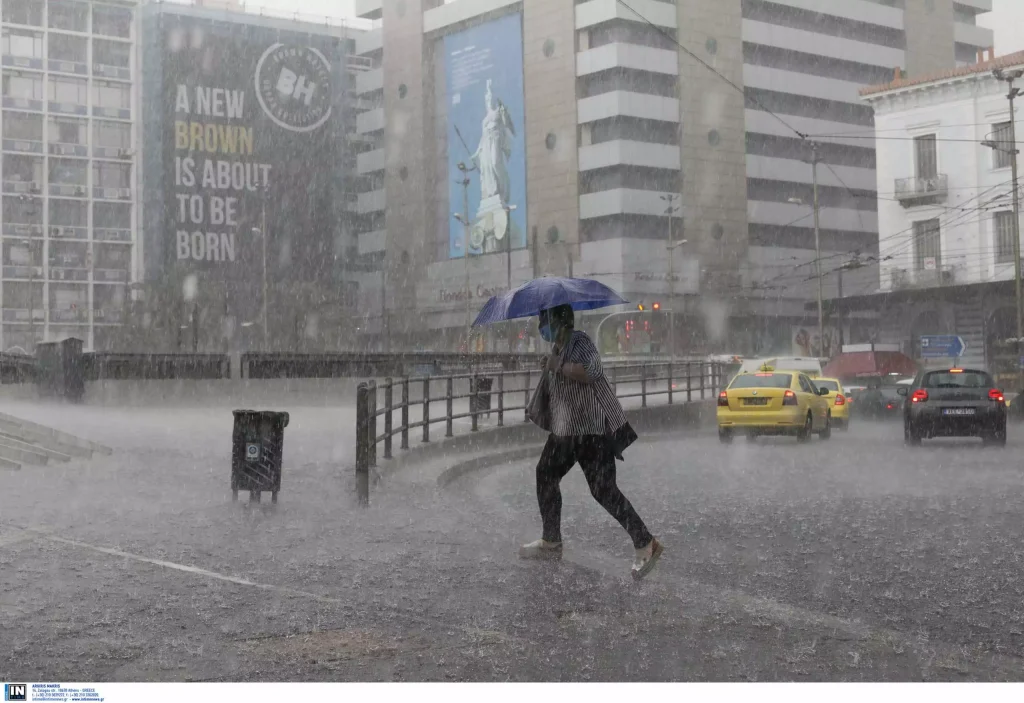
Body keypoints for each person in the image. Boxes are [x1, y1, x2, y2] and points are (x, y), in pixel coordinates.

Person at [520, 304, 663, 580]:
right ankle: (551, 540)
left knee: (604, 491)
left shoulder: (580, 341)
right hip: (566, 432)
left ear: (561, 321)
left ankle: (646, 543)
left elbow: (593, 371)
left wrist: (558, 366)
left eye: (545, 320)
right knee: (545, 474)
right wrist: (551, 366)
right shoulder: (558, 349)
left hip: (591, 431)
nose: (541, 327)